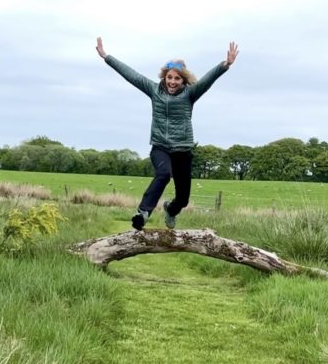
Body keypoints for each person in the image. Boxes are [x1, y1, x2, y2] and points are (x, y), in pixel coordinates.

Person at [95, 37, 239, 230]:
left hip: (182, 150)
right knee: (163, 174)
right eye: (169, 77)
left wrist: (225, 65)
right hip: (160, 147)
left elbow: (207, 80)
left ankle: (171, 210)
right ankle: (143, 213)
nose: (172, 82)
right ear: (164, 77)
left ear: (184, 80)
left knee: (183, 199)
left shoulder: (190, 94)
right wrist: (107, 57)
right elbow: (132, 75)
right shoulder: (154, 91)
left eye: (177, 78)